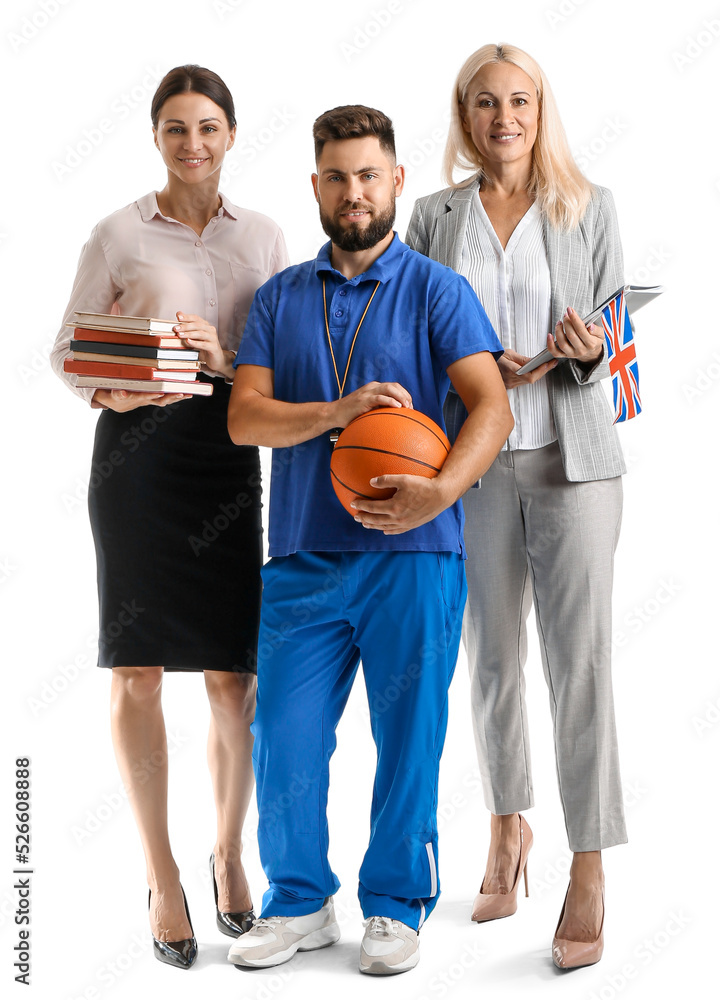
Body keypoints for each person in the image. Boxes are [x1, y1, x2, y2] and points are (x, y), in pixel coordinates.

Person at [224, 105, 512, 976]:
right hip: (302, 554)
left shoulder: (435, 288)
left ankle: (393, 905)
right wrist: (338, 414)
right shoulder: (279, 297)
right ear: (317, 186)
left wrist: (442, 492)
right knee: (283, 731)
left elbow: (490, 405)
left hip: (414, 558)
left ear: (395, 183)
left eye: (370, 176)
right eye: (339, 177)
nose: (355, 193)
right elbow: (245, 420)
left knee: (409, 737)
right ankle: (300, 902)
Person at [50, 64, 288, 970]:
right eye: (177, 128)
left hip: (224, 453)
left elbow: (279, 359)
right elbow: (67, 346)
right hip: (137, 463)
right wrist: (106, 391)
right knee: (139, 671)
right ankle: (161, 873)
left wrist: (221, 352)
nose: (194, 143)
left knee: (233, 677)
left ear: (231, 134)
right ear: (156, 136)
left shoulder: (264, 236)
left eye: (209, 127)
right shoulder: (117, 231)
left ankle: (229, 851)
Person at [406, 43, 629, 970]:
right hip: (476, 464)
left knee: (580, 667)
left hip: (575, 465)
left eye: (521, 101)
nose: (505, 117)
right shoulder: (433, 215)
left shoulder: (590, 207)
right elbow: (407, 333)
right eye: (486, 102)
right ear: (466, 114)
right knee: (491, 659)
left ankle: (587, 866)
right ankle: (506, 826)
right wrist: (468, 365)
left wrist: (588, 346)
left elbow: (621, 341)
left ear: (542, 110)